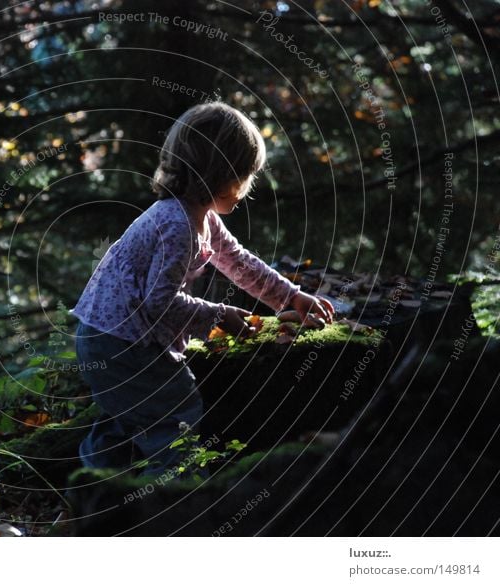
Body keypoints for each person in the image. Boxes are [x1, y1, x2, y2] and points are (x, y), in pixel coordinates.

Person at [70, 101, 334, 477]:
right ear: (224, 175)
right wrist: (218, 314)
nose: (247, 187)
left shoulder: (198, 216)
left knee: (129, 418)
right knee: (176, 414)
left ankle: (95, 492)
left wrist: (289, 296)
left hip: (105, 338)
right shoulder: (177, 226)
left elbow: (237, 261)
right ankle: (167, 503)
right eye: (246, 175)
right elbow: (158, 303)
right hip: (121, 345)